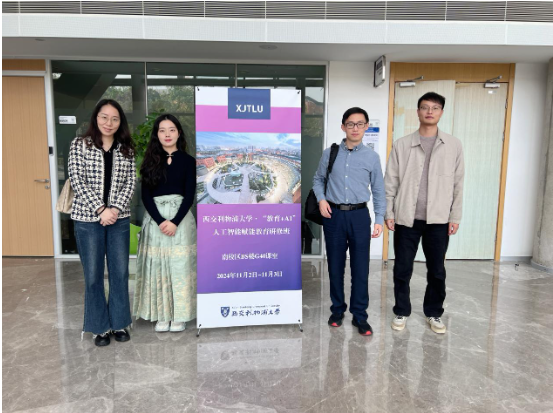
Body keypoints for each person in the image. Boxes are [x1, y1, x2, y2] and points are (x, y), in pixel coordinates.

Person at [385, 92, 465, 334]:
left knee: (437, 270)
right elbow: (391, 181)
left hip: (439, 219)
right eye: (425, 107)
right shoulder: (401, 144)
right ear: (418, 111)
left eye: (435, 107)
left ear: (441, 112)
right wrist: (389, 212)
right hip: (406, 218)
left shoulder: (453, 145)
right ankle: (401, 310)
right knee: (402, 268)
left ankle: (434, 312)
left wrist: (455, 216)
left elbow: (458, 184)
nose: (430, 111)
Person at [69, 99, 136, 347]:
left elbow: (131, 182)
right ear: (96, 118)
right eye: (104, 117)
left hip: (119, 218)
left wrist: (114, 209)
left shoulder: (126, 148)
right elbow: (77, 180)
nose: (109, 123)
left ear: (120, 122)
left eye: (115, 118)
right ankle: (99, 328)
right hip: (88, 219)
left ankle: (119, 323)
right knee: (93, 275)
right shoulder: (80, 144)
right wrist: (101, 209)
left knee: (120, 272)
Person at [313, 107, 386, 336]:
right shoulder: (330, 153)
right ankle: (337, 310)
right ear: (343, 127)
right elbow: (318, 179)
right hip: (333, 216)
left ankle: (360, 315)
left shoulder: (372, 157)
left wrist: (379, 218)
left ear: (366, 127)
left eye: (360, 124)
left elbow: (379, 190)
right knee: (335, 266)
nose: (355, 128)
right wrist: (321, 199)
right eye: (351, 124)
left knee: (360, 268)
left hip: (359, 216)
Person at [133, 114, 197, 333]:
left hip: (181, 219)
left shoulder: (188, 161)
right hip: (155, 220)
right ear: (157, 134)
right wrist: (161, 221)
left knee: (180, 266)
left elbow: (189, 195)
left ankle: (179, 315)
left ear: (179, 133)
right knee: (157, 266)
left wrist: (175, 221)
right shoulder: (149, 161)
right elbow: (145, 196)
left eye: (171, 130)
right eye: (162, 130)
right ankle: (162, 314)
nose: (167, 134)